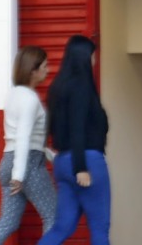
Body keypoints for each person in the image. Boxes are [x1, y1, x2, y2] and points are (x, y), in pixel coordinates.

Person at [0, 46, 58, 244]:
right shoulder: (29, 99)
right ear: (32, 70)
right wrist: (18, 175)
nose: (47, 70)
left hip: (8, 162)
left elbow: (25, 138)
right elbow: (23, 137)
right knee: (53, 217)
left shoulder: (13, 94)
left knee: (7, 222)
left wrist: (49, 154)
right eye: (44, 66)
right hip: (27, 166)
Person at [39, 35, 111, 245]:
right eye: (93, 56)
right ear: (85, 57)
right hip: (87, 161)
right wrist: (81, 167)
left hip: (62, 163)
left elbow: (55, 128)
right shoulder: (82, 86)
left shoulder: (57, 87)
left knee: (62, 227)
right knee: (100, 228)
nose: (94, 60)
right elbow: (77, 127)